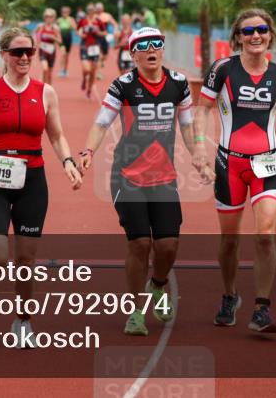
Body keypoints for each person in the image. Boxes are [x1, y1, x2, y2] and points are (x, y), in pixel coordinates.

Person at [0, 27, 83, 346]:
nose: (25, 57)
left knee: (26, 258)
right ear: (4, 56)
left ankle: (23, 319)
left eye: (30, 51)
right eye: (18, 52)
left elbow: (56, 135)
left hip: (32, 180)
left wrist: (68, 161)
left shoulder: (45, 92)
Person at [79, 27, 198, 335]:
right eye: (142, 46)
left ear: (162, 48)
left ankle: (157, 286)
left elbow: (187, 126)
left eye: (156, 43)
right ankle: (136, 310)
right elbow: (101, 122)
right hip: (127, 176)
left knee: (168, 246)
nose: (151, 49)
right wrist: (88, 151)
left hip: (164, 177)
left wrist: (197, 155)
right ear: (132, 54)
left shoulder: (179, 84)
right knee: (140, 243)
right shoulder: (123, 85)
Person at [192, 8, 276, 333]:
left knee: (265, 235)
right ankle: (229, 295)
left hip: (267, 164)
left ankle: (262, 308)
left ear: (270, 34)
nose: (256, 36)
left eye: (262, 30)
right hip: (229, 164)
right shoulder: (223, 70)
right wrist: (199, 146)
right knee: (229, 240)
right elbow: (203, 109)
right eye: (248, 30)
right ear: (238, 36)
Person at [77, 4, 106, 99]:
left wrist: (98, 32)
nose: (91, 12)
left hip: (95, 47)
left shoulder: (98, 21)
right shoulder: (83, 21)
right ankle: (84, 79)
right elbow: (78, 30)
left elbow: (105, 32)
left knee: (93, 72)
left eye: (92, 10)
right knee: (86, 69)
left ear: (95, 11)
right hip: (84, 46)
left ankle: (89, 91)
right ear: (87, 11)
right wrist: (81, 35)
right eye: (89, 10)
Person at [35, 9, 62, 85]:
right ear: (44, 17)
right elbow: (34, 33)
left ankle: (49, 89)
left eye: (51, 16)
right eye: (47, 16)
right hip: (43, 50)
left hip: (51, 51)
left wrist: (54, 38)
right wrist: (37, 42)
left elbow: (60, 41)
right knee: (45, 69)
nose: (48, 18)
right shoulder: (40, 26)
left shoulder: (56, 28)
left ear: (54, 18)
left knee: (49, 74)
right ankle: (42, 87)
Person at [57, 6, 77, 77]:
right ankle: (61, 70)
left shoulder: (71, 19)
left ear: (69, 13)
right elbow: (56, 29)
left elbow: (75, 28)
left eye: (66, 12)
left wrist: (72, 26)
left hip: (68, 39)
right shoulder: (59, 20)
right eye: (63, 12)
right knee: (63, 54)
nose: (64, 13)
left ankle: (65, 70)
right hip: (61, 40)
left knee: (67, 56)